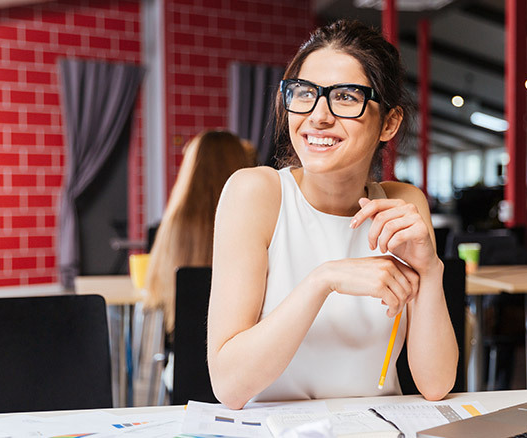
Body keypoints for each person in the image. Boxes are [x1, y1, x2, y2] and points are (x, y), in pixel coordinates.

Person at [206, 20, 458, 410]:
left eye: (344, 96)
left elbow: (436, 384)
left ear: (389, 123)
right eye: (304, 93)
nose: (318, 116)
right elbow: (229, 386)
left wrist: (430, 270)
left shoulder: (402, 204)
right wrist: (324, 279)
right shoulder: (255, 193)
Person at [145, 130, 251, 335]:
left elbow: (154, 294)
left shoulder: (173, 223)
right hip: (241, 352)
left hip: (181, 358)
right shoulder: (254, 221)